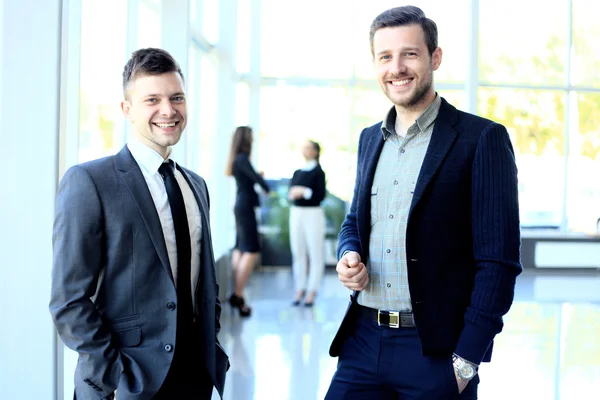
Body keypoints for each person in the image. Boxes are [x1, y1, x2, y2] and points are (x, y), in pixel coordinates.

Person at [326, 6, 522, 399]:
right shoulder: (369, 139)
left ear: (435, 57)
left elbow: (498, 261)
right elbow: (355, 221)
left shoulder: (481, 138)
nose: (396, 67)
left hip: (435, 350)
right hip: (362, 342)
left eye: (409, 54)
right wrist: (348, 254)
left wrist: (467, 359)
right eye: (385, 57)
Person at [49, 48, 228, 399]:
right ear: (127, 109)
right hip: (126, 383)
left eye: (177, 97)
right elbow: (68, 300)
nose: (168, 110)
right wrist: (113, 372)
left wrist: (210, 343)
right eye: (152, 99)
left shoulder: (196, 185)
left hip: (195, 376)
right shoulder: (90, 181)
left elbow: (204, 283)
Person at [225, 126, 270, 317]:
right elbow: (259, 182)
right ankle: (238, 294)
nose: (253, 140)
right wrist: (263, 182)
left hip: (240, 205)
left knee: (240, 248)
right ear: (246, 139)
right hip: (245, 207)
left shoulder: (237, 159)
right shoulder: (243, 159)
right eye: (251, 137)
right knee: (251, 249)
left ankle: (238, 293)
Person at [288, 140, 327, 307]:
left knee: (315, 252)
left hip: (313, 214)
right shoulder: (297, 171)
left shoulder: (319, 172)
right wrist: (297, 193)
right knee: (298, 251)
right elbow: (290, 193)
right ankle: (300, 288)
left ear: (315, 152)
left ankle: (312, 290)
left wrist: (303, 191)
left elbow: (319, 195)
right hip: (296, 213)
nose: (304, 150)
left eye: (308, 148)